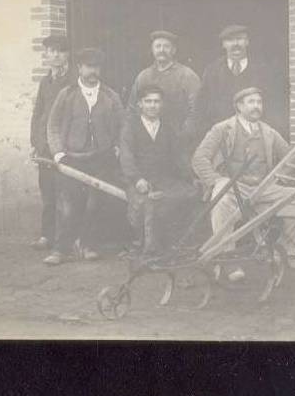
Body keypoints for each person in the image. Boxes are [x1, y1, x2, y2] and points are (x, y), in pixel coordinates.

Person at [192, 87, 295, 281]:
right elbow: (199, 158)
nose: (257, 106)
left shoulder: (269, 132)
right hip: (234, 187)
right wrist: (216, 180)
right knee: (221, 199)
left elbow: (289, 157)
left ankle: (289, 251)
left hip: (264, 188)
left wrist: (279, 176)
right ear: (239, 106)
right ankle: (227, 259)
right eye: (251, 102)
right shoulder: (222, 129)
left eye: (259, 102)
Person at [43, 48, 125, 265]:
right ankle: (61, 250)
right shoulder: (67, 94)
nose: (92, 71)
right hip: (72, 158)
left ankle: (88, 245)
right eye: (88, 66)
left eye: (96, 67)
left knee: (95, 204)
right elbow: (52, 125)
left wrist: (116, 146)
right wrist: (58, 153)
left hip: (101, 158)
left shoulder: (110, 96)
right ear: (79, 68)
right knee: (68, 205)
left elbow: (122, 127)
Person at [120, 85, 198, 255]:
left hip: (164, 178)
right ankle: (148, 246)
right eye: (148, 101)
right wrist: (136, 179)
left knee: (190, 194)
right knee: (148, 203)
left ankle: (176, 244)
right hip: (139, 179)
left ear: (162, 104)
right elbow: (126, 157)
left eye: (156, 101)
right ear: (140, 104)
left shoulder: (168, 127)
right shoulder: (130, 128)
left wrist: (190, 177)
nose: (152, 105)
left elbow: (178, 156)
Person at [195, 25, 286, 138]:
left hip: (255, 136)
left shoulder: (263, 70)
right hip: (222, 136)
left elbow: (273, 105)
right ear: (223, 44)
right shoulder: (212, 71)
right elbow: (201, 105)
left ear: (247, 42)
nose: (235, 44)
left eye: (240, 39)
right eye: (230, 40)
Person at [29, 35, 75, 251]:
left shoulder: (74, 81)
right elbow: (38, 113)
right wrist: (36, 141)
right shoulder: (45, 81)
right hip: (45, 148)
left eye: (60, 51)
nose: (55, 55)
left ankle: (67, 239)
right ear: (46, 55)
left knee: (66, 193)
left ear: (67, 55)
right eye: (51, 51)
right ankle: (46, 235)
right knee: (47, 192)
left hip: (65, 147)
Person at [127, 30, 201, 144]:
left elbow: (197, 110)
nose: (161, 50)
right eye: (158, 46)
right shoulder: (143, 77)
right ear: (152, 50)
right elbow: (132, 109)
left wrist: (183, 136)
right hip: (148, 143)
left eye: (166, 46)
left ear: (174, 50)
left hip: (179, 142)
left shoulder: (187, 75)